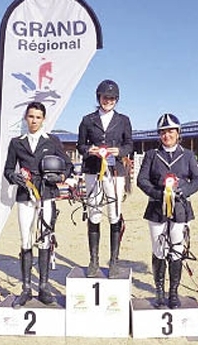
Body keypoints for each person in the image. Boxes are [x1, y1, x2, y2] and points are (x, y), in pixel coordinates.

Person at [4, 101, 74, 308]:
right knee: (26, 238)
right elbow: (8, 168)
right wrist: (14, 178)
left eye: (38, 117)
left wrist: (60, 176)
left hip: (46, 194)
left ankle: (43, 286)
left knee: (44, 238)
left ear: (43, 119)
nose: (34, 120)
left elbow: (68, 165)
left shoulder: (52, 140)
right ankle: (26, 288)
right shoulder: (17, 142)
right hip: (25, 195)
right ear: (26, 118)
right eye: (31, 116)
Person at [137, 113, 198, 309]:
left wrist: (182, 191)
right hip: (157, 208)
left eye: (171, 131)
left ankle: (173, 292)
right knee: (159, 249)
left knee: (176, 249)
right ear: (159, 135)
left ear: (178, 132)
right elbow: (142, 180)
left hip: (180, 208)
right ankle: (159, 291)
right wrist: (158, 193)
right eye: (163, 132)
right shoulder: (151, 155)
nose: (167, 135)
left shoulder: (188, 155)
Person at [76, 79, 133, 279]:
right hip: (93, 170)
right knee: (94, 211)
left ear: (116, 100)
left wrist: (119, 151)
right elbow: (80, 145)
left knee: (114, 213)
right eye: (105, 97)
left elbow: (129, 145)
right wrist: (89, 150)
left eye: (111, 98)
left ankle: (114, 260)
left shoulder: (123, 120)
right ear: (99, 98)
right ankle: (94, 260)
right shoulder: (87, 120)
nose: (108, 100)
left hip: (115, 172)